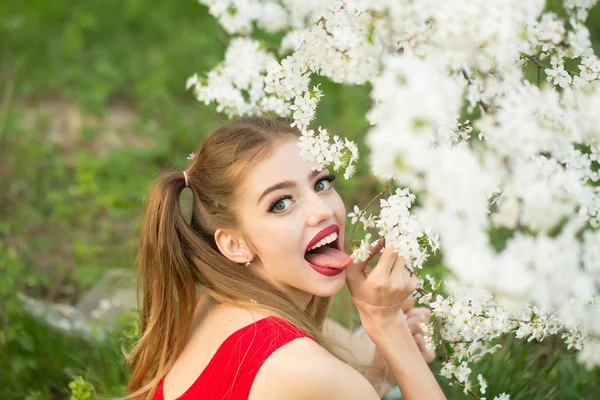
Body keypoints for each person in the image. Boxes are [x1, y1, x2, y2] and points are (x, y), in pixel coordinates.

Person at [126, 117, 446, 400]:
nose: (321, 210)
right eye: (280, 203)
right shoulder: (301, 367)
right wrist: (388, 327)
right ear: (235, 244)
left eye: (321, 183)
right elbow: (324, 379)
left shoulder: (219, 304)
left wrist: (388, 358)